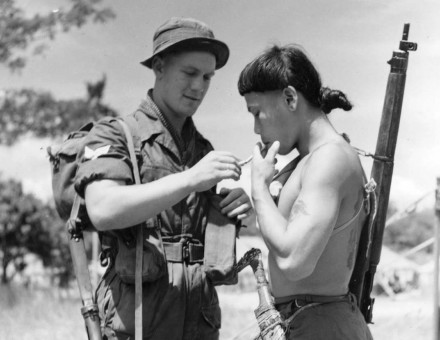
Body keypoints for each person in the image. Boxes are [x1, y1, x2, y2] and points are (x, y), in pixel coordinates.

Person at [74, 17, 252, 340]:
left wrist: (234, 208)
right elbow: (103, 209)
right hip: (137, 324)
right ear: (158, 67)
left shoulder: (202, 150)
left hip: (197, 325)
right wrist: (191, 179)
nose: (199, 86)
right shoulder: (115, 134)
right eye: (190, 73)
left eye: (208, 77)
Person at [237, 44, 374, 339]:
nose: (255, 128)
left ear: (289, 98)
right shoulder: (312, 160)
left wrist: (259, 187)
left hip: (320, 325)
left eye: (257, 113)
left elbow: (294, 262)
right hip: (309, 320)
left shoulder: (329, 158)